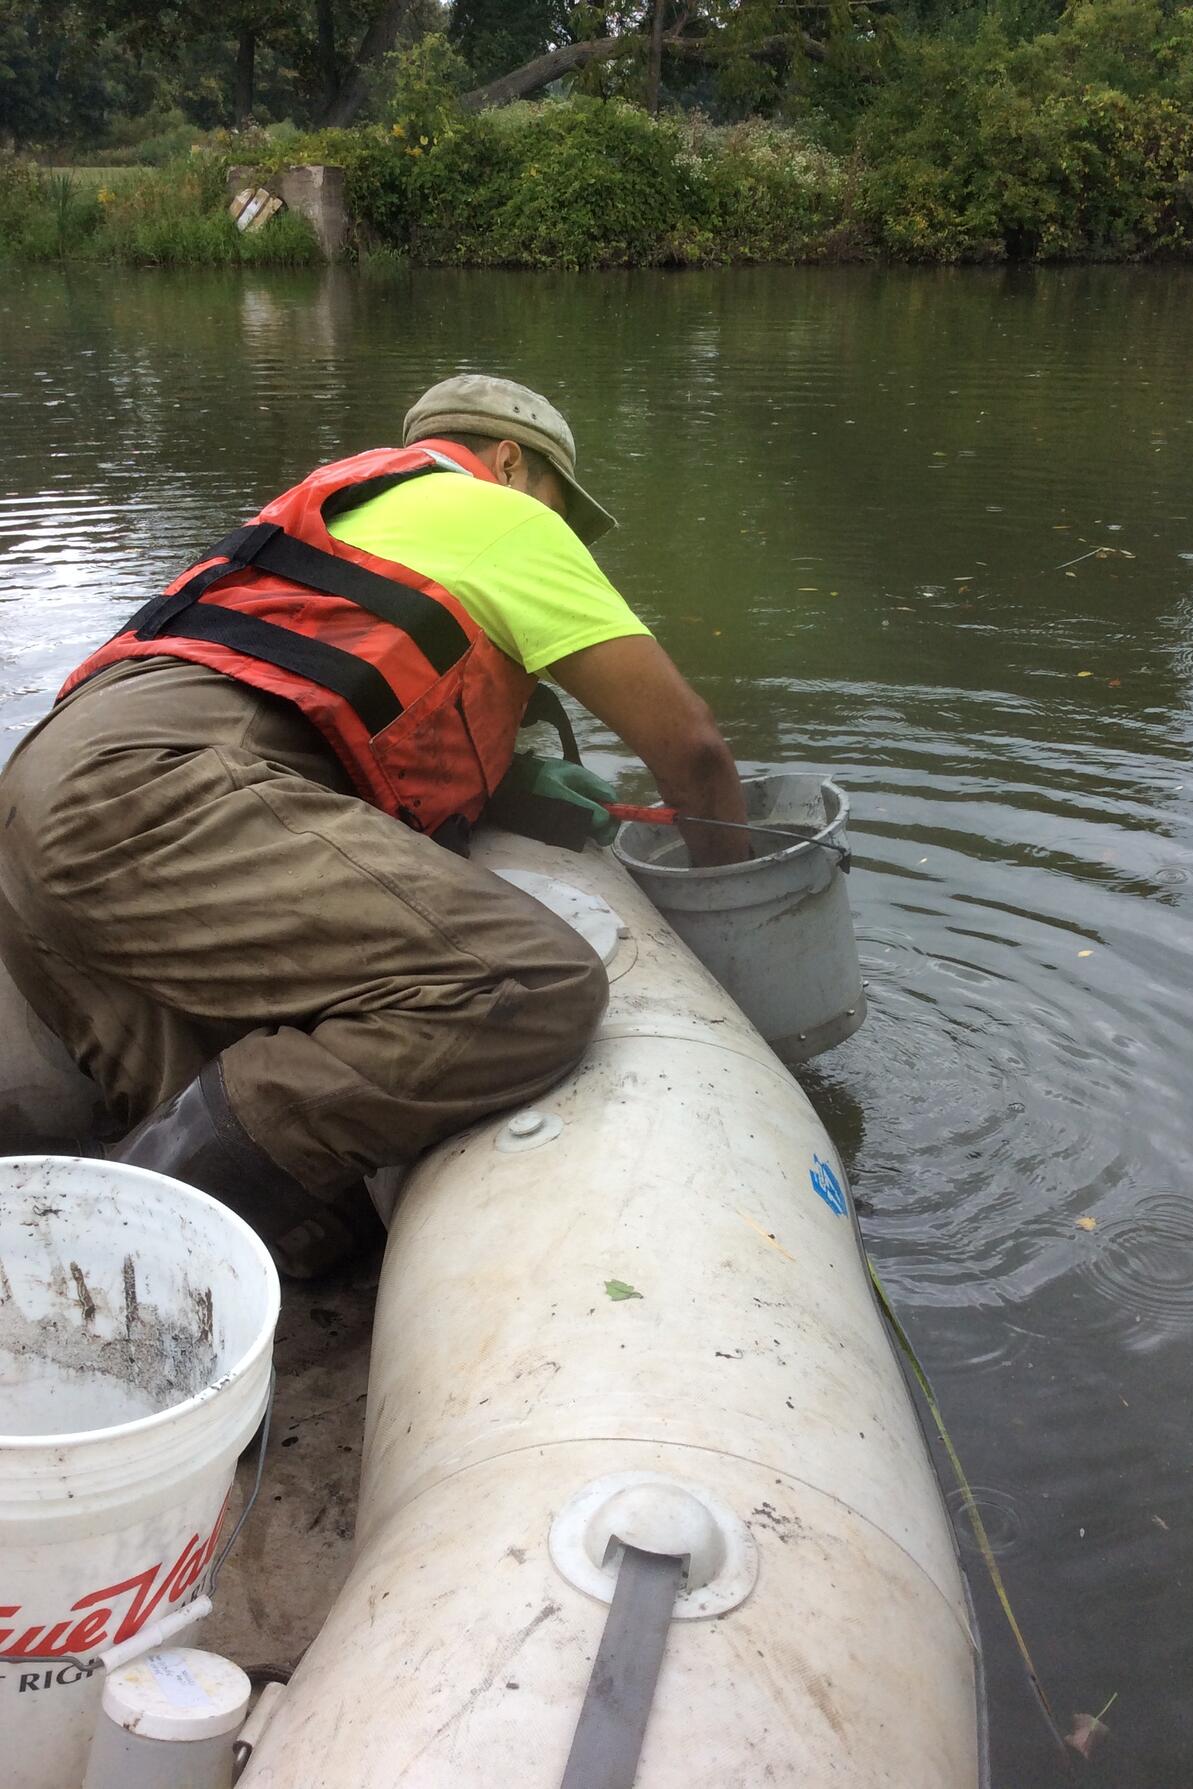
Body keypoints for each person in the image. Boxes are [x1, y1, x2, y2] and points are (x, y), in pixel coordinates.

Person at [0, 374, 748, 1275]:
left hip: (38, 797)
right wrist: (730, 925)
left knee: (316, 1236)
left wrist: (502, 782)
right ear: (511, 463)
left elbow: (315, 687)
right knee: (532, 985)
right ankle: (80, 1253)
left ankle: (111, 1241)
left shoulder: (337, 508)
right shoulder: (506, 516)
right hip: (153, 798)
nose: (567, 534)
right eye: (560, 503)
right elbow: (695, 751)